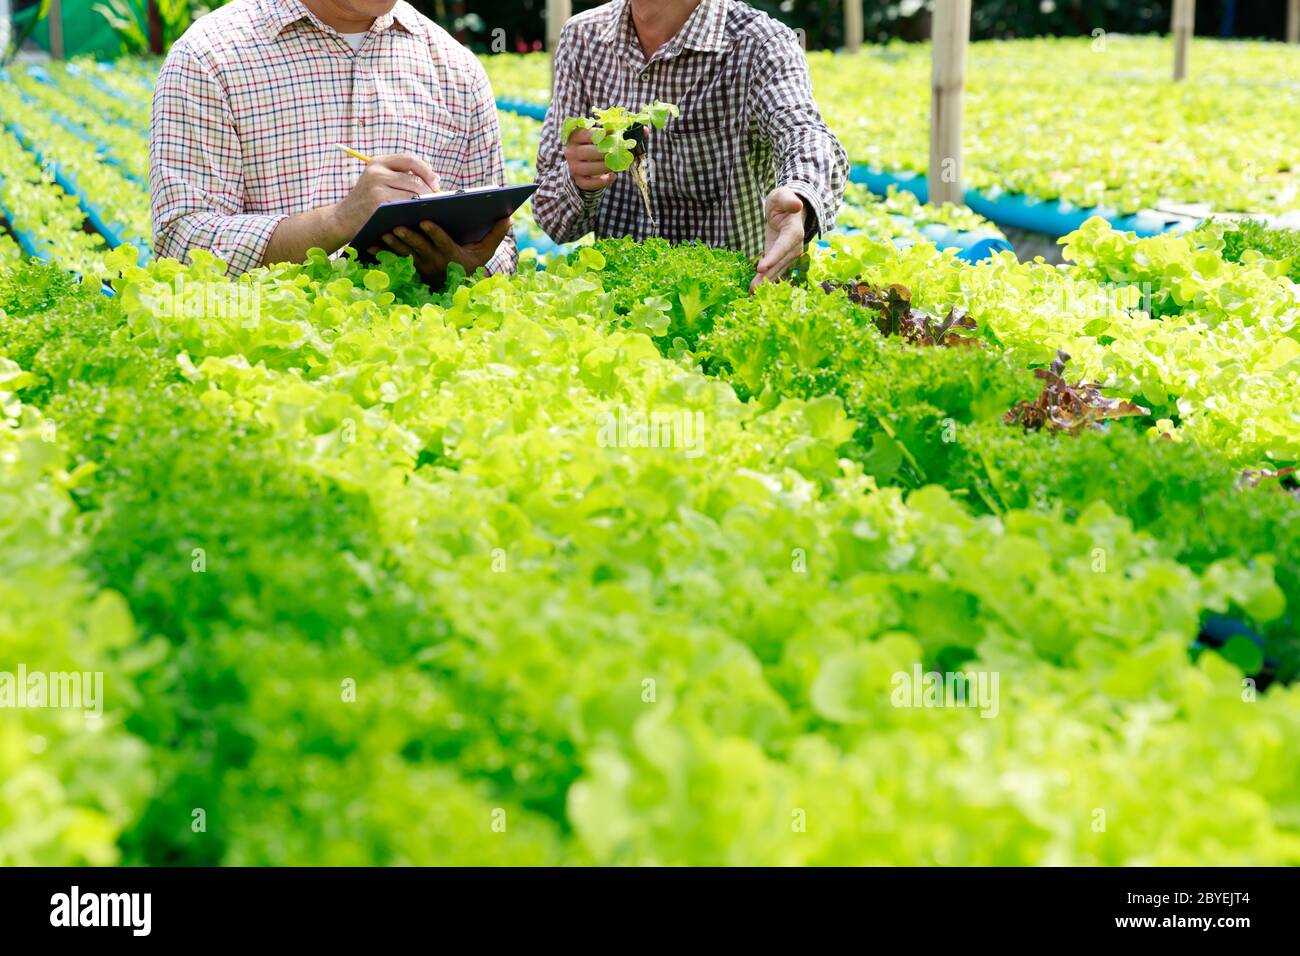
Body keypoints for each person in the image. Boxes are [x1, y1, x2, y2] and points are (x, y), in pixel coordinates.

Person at [150, 0, 515, 284]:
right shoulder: (210, 57)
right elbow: (182, 245)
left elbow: (499, 246)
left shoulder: (457, 70)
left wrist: (463, 270)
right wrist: (339, 220)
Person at [534, 0, 848, 290]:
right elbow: (553, 218)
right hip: (620, 307)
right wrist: (581, 182)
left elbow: (805, 132)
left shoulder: (760, 43)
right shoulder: (583, 38)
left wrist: (799, 196)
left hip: (731, 302)